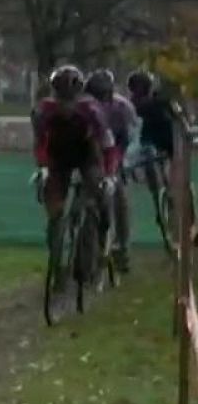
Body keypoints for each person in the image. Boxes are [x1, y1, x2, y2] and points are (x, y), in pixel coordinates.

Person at [32, 65, 114, 254]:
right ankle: (56, 240)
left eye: (70, 99)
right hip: (58, 156)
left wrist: (108, 173)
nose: (65, 104)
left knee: (98, 188)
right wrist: (43, 167)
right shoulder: (43, 111)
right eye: (60, 97)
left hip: (87, 155)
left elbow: (106, 144)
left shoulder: (92, 110)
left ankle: (103, 232)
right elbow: (40, 143)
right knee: (53, 198)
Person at [86, 69, 137, 270]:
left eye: (101, 95)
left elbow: (131, 137)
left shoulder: (122, 108)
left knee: (120, 198)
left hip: (120, 147)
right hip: (93, 150)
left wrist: (122, 161)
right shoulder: (84, 106)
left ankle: (122, 249)